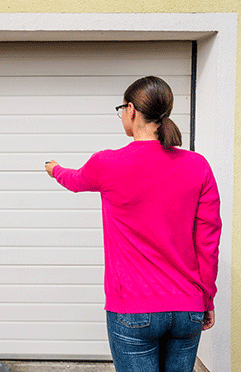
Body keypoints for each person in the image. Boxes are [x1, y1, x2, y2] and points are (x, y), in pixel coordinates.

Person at [44, 76, 221, 372]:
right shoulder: (197, 165)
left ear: (131, 110)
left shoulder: (107, 164)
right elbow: (208, 240)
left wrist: (55, 169)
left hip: (133, 308)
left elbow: (74, 181)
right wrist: (207, 298)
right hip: (187, 306)